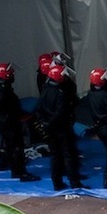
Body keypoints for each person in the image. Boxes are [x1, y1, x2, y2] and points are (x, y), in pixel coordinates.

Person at [36, 63, 86, 191]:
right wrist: (49, 122)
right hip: (61, 128)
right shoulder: (60, 93)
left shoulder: (45, 90)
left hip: (50, 129)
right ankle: (74, 181)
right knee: (68, 154)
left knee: (55, 155)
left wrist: (44, 123)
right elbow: (60, 112)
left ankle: (57, 182)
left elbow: (39, 110)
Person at [0, 64, 40, 183]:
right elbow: (1, 103)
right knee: (16, 146)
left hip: (6, 120)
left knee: (12, 146)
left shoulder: (1, 87)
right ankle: (21, 172)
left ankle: (17, 170)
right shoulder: (2, 90)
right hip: (9, 121)